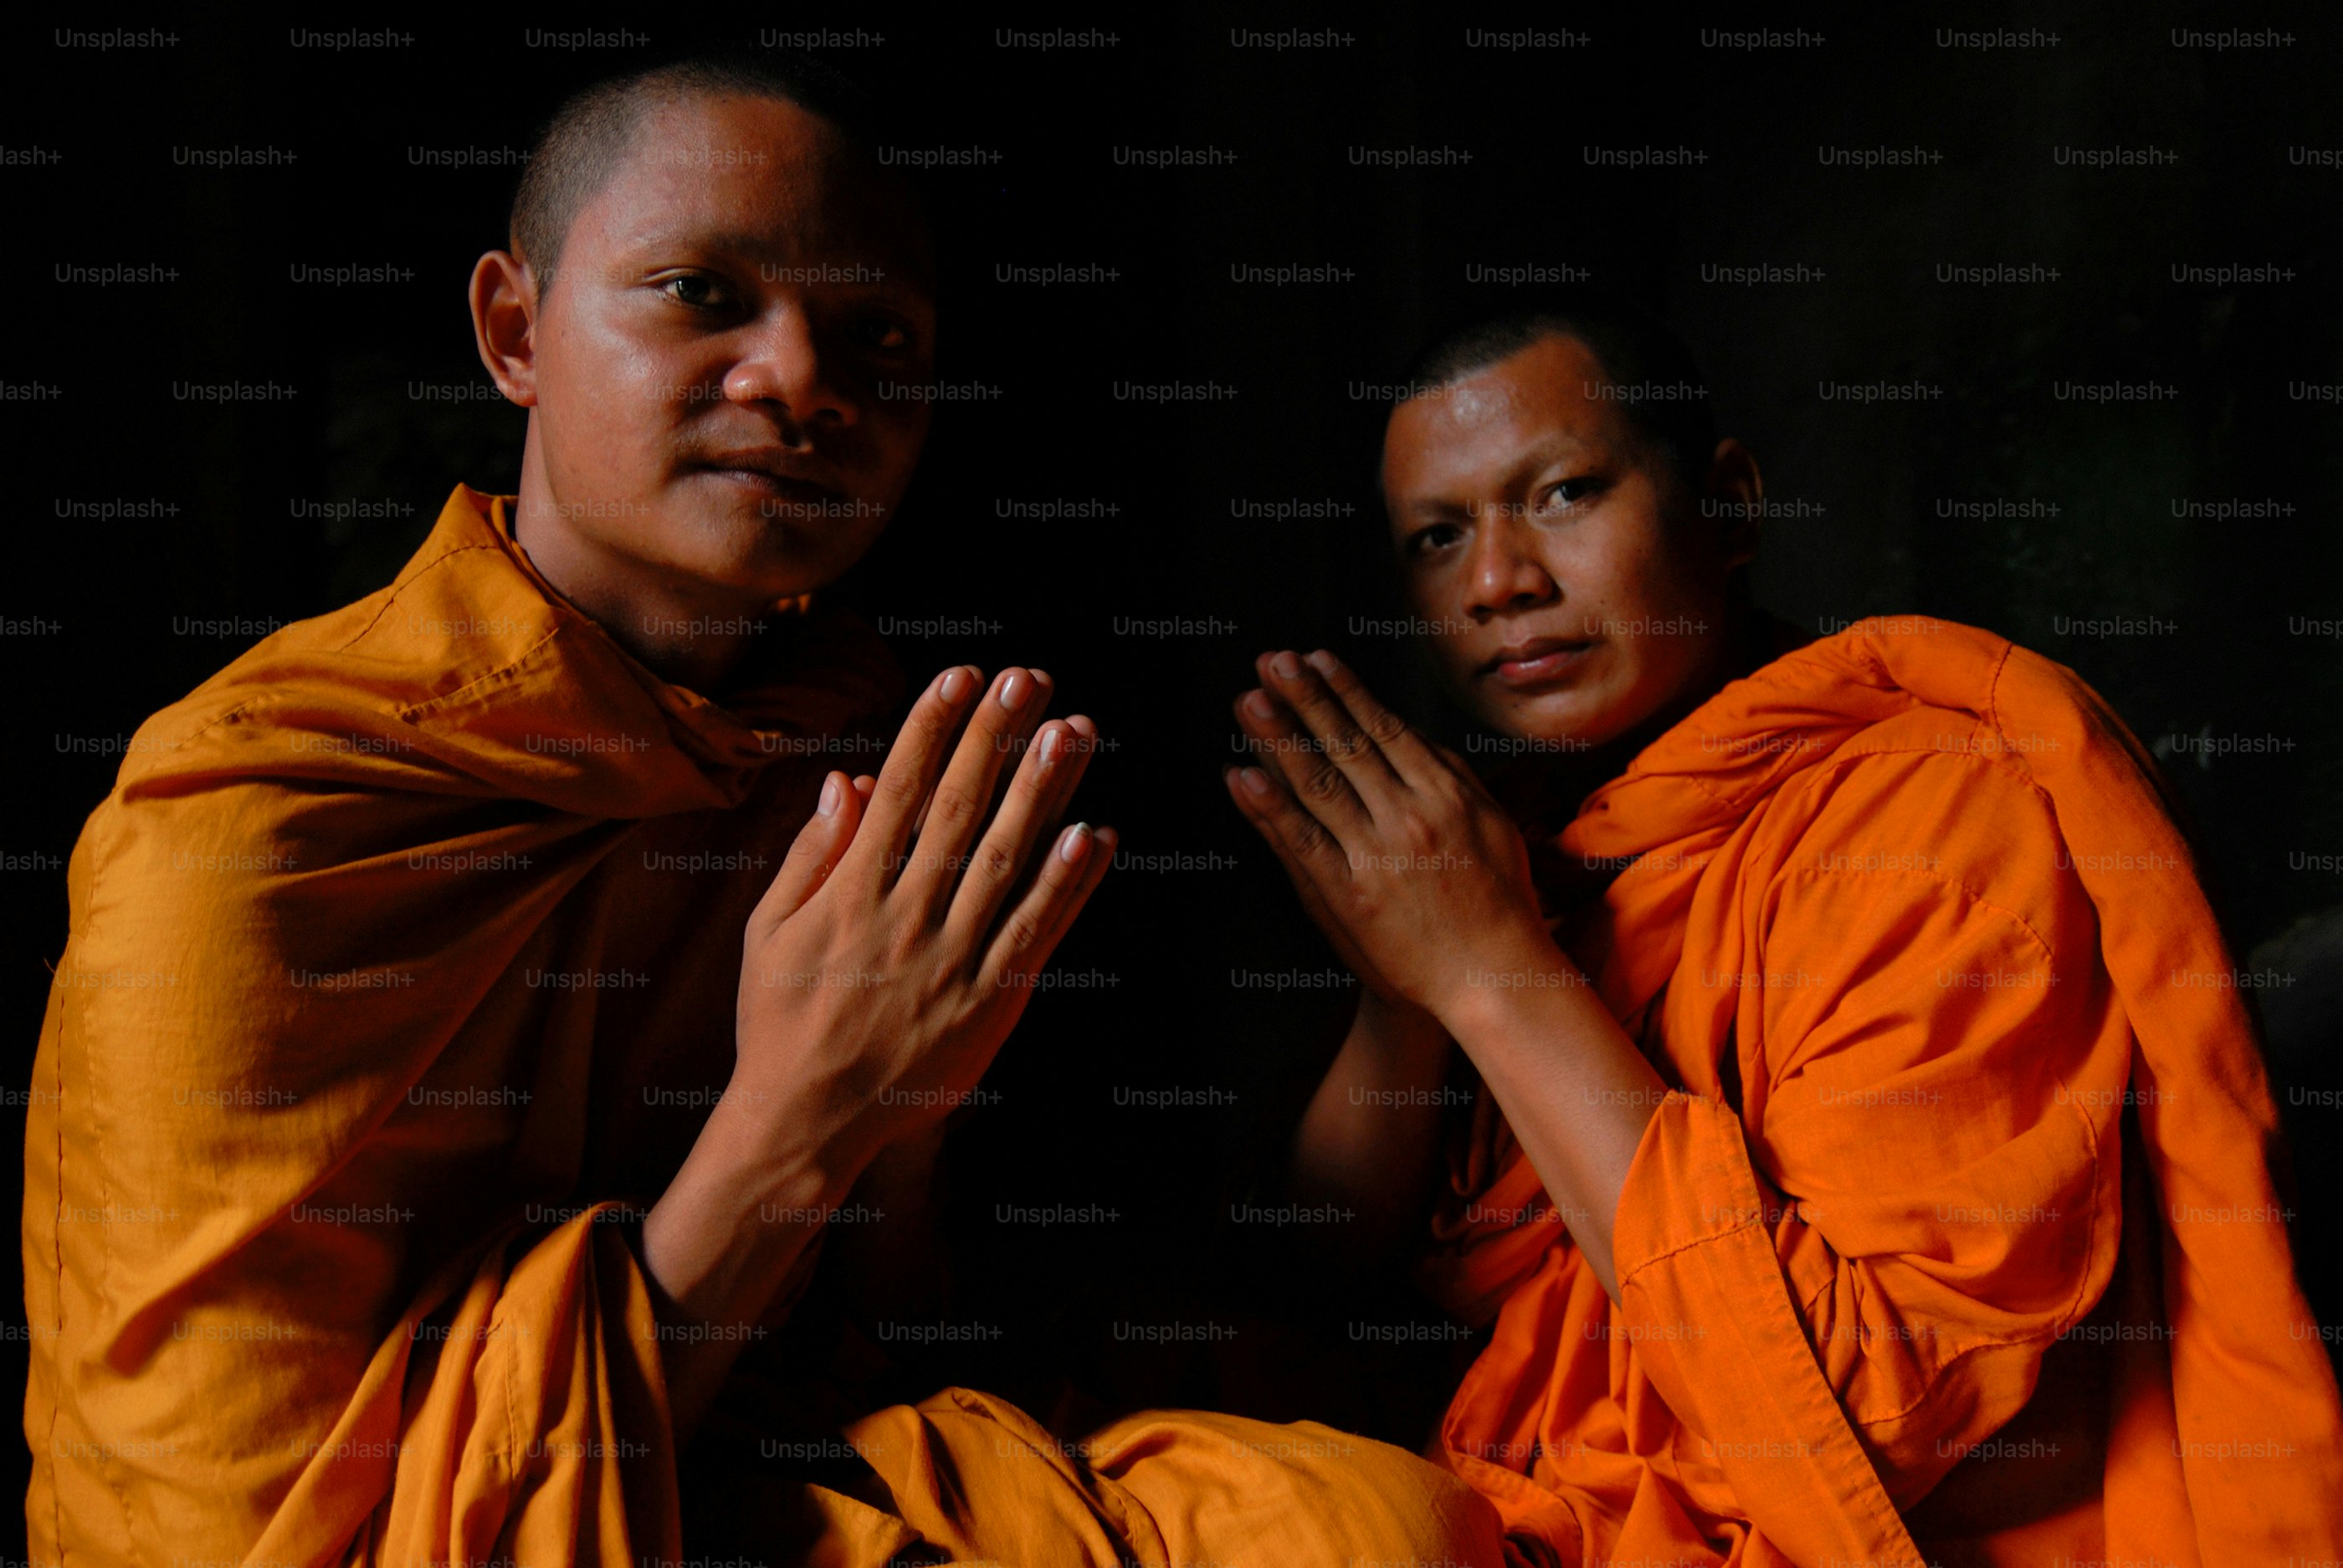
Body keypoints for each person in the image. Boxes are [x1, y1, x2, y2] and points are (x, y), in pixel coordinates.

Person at [23, 55, 1510, 1568]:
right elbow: (241, 1532)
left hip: (732, 1460)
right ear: (515, 331)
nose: (804, 378)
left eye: (878, 334)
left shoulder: (844, 748)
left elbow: (890, 1345)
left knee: (1379, 1526)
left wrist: (905, 1133)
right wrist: (799, 1118)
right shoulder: (258, 822)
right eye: (701, 293)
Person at [1226, 299, 2343, 1565]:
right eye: (1439, 537)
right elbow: (1306, 1291)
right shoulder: (1519, 847)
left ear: (1730, 506)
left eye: (1561, 495)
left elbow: (1859, 1413)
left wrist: (1491, 973)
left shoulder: (1933, 813)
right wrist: (1408, 980)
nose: (1499, 584)